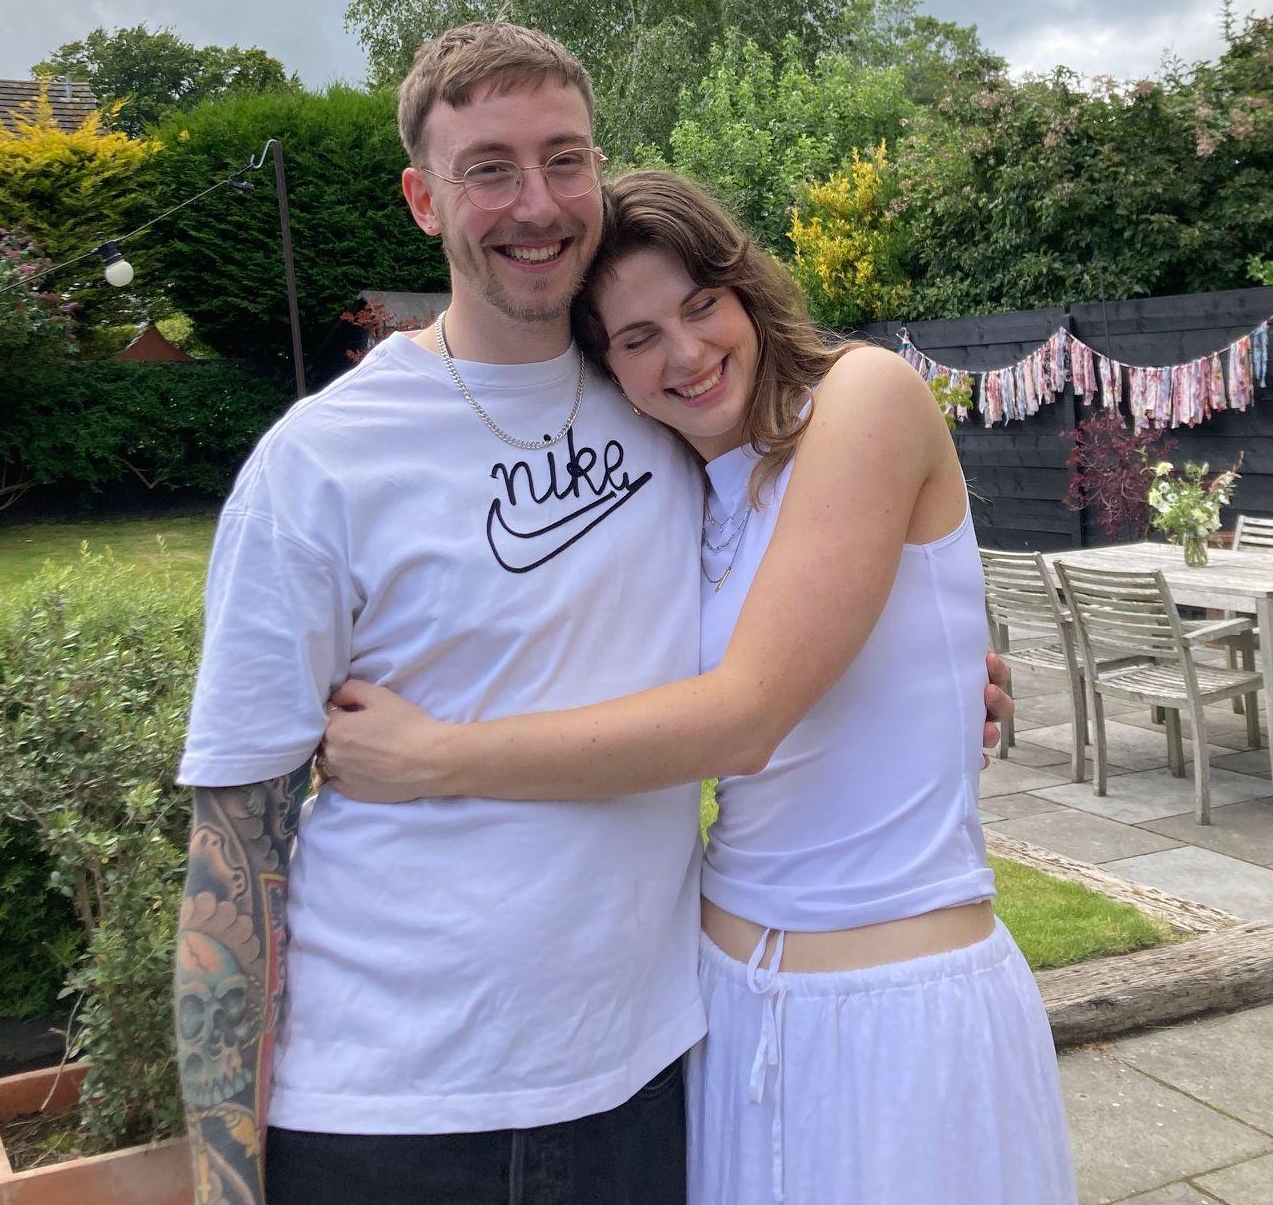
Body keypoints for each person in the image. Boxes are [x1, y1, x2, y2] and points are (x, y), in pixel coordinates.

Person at [171, 23, 1017, 1205]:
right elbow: (235, 841)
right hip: (392, 1105)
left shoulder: (667, 415)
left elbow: (808, 603)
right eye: (489, 169)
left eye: (563, 158)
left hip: (649, 1075)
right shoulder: (319, 462)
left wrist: (947, 662)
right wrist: (222, 1179)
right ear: (424, 199)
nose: (535, 201)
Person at [319, 168, 1077, 1205]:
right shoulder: (683, 486)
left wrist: (432, 758)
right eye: (637, 338)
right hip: (723, 1017)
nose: (683, 354)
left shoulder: (863, 397)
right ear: (609, 370)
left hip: (896, 1018)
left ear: (745, 291)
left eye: (701, 305)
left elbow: (744, 717)